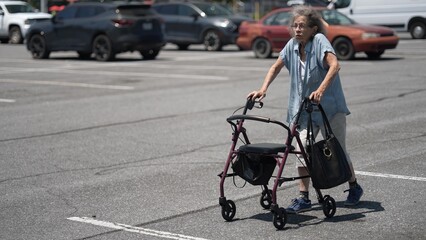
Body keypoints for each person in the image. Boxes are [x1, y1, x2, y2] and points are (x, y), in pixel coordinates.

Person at [247, 5, 363, 213]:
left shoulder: (319, 41)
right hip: (303, 110)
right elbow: (275, 66)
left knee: (337, 151)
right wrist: (263, 89)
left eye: (302, 26)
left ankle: (354, 186)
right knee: (301, 150)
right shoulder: (292, 46)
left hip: (329, 108)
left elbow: (335, 65)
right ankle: (304, 197)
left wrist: (320, 90)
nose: (297, 29)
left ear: (313, 29)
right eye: (295, 26)